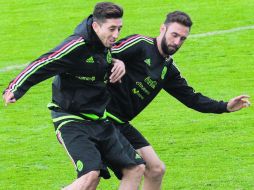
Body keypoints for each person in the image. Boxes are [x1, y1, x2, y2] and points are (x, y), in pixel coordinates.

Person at [3, 2, 145, 190]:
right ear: (96, 26)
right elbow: (46, 61)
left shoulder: (103, 42)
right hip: (71, 119)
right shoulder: (76, 45)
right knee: (90, 176)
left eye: (119, 29)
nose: (116, 35)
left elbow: (102, 60)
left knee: (135, 168)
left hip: (99, 119)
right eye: (112, 29)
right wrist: (16, 86)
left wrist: (118, 63)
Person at [105, 11, 251, 189]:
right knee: (132, 170)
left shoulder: (168, 69)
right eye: (174, 35)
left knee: (156, 169)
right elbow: (101, 52)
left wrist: (225, 106)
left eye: (182, 38)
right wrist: (115, 61)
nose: (176, 42)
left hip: (121, 122)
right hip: (102, 116)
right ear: (162, 28)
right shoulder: (141, 44)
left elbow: (191, 98)